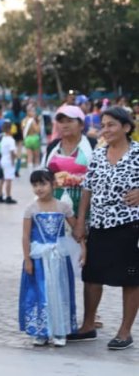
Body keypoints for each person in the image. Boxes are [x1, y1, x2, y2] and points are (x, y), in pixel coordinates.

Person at [70, 107, 139, 350]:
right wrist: (81, 222)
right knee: (91, 276)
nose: (105, 130)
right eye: (103, 125)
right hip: (99, 224)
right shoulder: (98, 155)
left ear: (126, 128)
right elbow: (87, 189)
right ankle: (88, 325)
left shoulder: (138, 154)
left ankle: (125, 331)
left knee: (131, 279)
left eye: (111, 125)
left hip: (130, 226)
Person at [19, 169, 81, 347]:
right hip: (39, 258)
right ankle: (42, 331)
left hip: (59, 258)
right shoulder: (31, 209)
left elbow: (77, 230)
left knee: (60, 291)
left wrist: (83, 248)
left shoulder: (63, 207)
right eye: (35, 185)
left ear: (53, 184)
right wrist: (28, 260)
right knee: (41, 292)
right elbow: (25, 236)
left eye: (43, 184)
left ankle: (61, 330)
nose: (39, 188)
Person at [44, 105, 96, 216]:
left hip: (86, 208)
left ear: (81, 125)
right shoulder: (53, 146)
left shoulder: (93, 145)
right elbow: (45, 173)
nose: (64, 125)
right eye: (61, 122)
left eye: (69, 121)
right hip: (55, 208)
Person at [0, 119, 17, 204]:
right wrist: (13, 160)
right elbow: (12, 152)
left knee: (1, 179)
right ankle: (8, 197)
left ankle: (0, 196)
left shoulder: (2, 138)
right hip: (9, 161)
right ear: (10, 129)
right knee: (8, 180)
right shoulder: (11, 140)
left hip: (2, 160)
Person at [22, 104, 43, 169]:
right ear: (28, 112)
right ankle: (36, 171)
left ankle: (30, 172)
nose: (34, 113)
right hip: (34, 138)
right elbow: (37, 130)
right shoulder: (32, 120)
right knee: (36, 156)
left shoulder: (24, 120)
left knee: (29, 156)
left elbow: (23, 130)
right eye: (33, 111)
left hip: (27, 139)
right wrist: (39, 122)